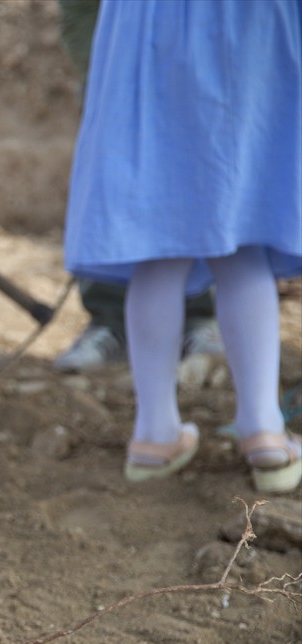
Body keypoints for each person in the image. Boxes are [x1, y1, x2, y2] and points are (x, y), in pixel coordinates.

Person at [63, 0, 301, 492]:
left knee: (159, 231)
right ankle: (264, 431)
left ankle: (154, 434)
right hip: (248, 19)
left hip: (151, 19)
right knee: (242, 230)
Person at [53, 0, 223, 374]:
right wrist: (108, 76)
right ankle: (110, 319)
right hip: (115, 52)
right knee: (115, 189)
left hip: (197, 51)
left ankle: (199, 315)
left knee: (202, 178)